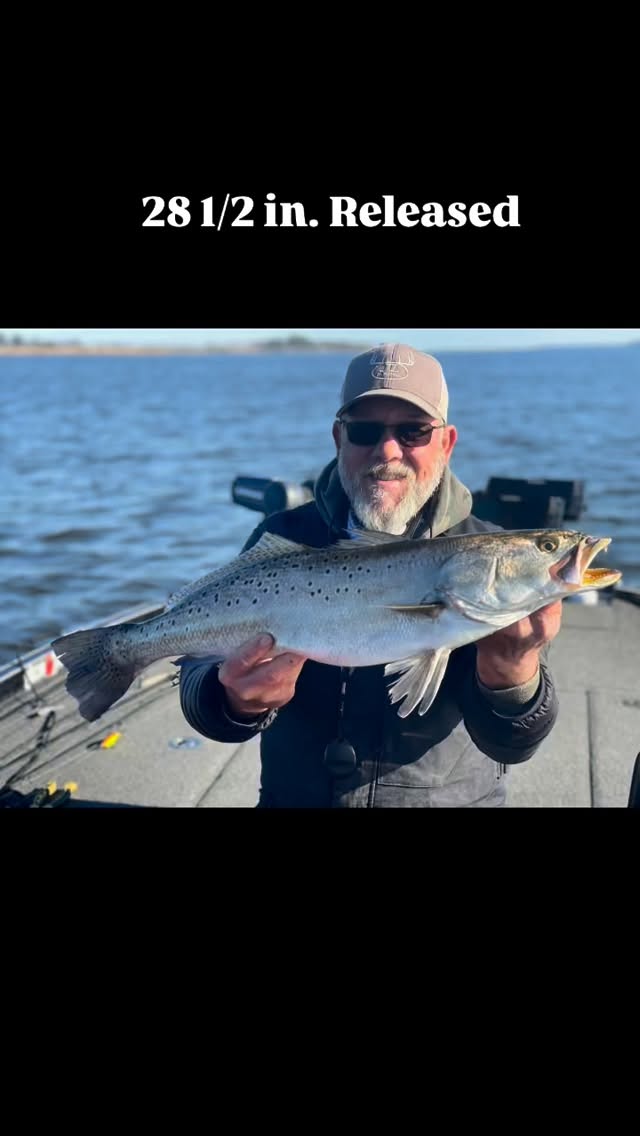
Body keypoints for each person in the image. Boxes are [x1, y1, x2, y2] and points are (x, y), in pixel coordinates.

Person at [179, 343, 561, 807]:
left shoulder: (488, 556)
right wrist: (233, 701)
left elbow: (513, 744)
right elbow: (197, 679)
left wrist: (514, 677)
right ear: (339, 438)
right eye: (364, 430)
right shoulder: (283, 535)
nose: (387, 450)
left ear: (447, 442)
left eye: (414, 431)